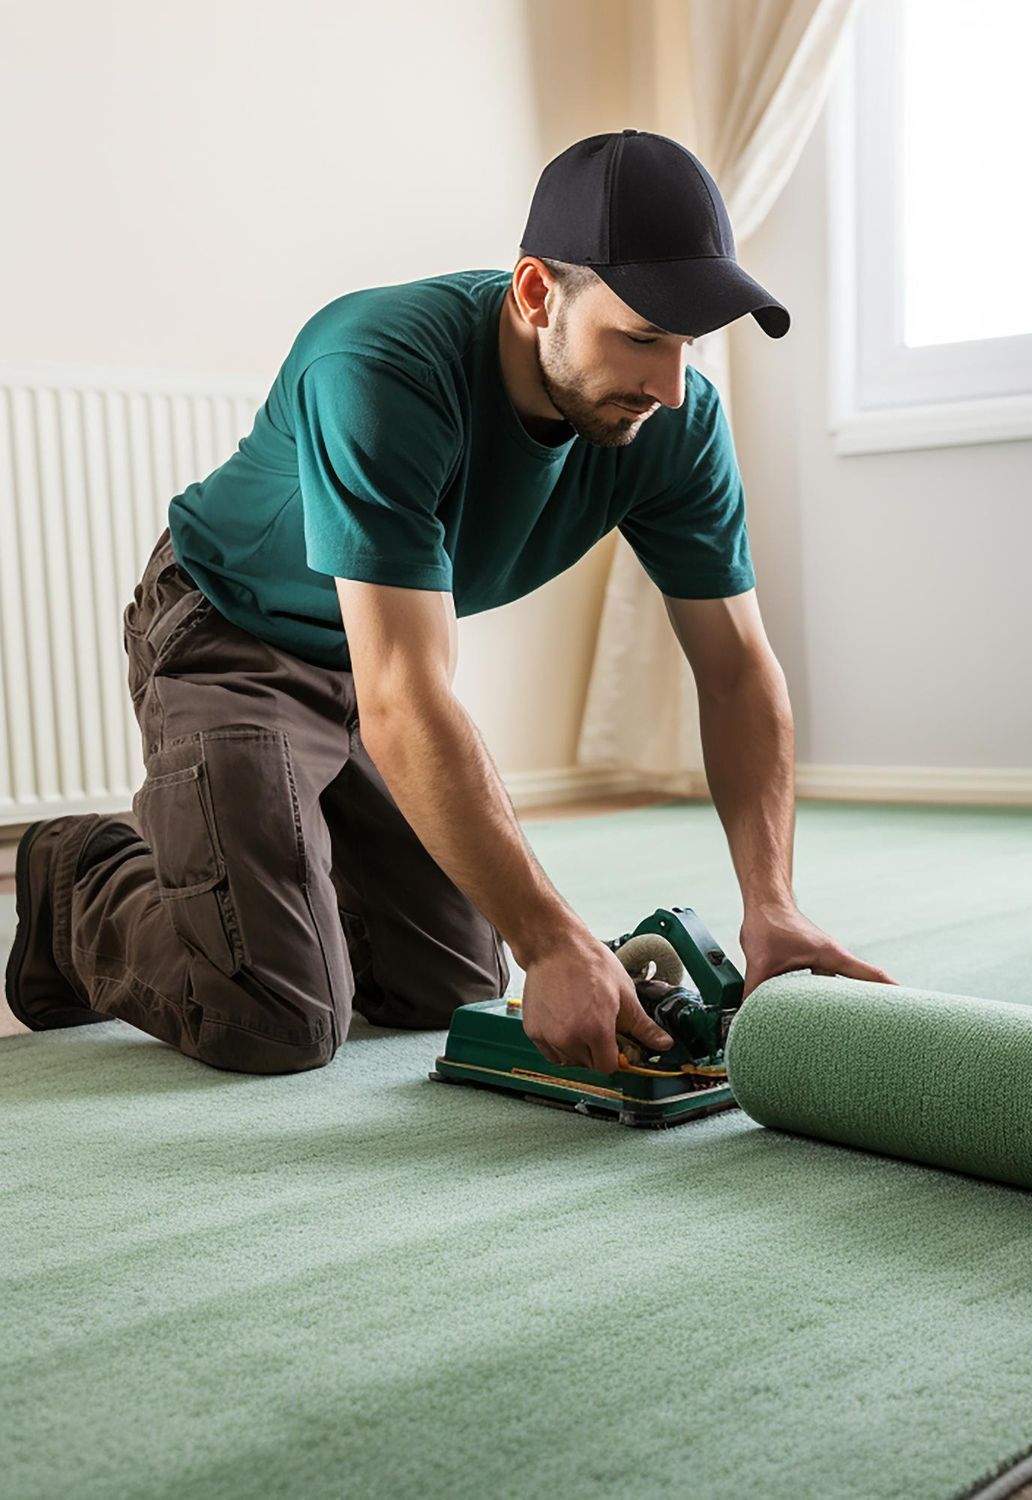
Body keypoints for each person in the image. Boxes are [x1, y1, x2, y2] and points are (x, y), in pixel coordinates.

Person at [4, 128, 895, 1075]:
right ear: (537, 292)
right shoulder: (378, 366)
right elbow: (407, 701)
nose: (669, 386)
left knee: (450, 985)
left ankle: (278, 869)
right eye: (641, 338)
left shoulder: (675, 423)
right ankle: (79, 878)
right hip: (231, 632)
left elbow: (737, 670)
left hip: (371, 664)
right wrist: (557, 943)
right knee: (276, 1015)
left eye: (686, 345)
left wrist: (773, 906)